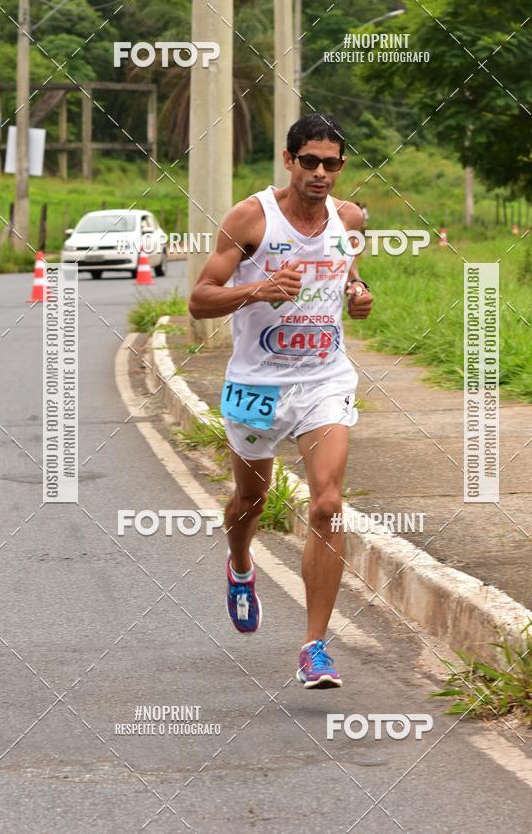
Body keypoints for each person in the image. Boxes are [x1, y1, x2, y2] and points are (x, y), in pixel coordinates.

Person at [188, 114, 374, 689]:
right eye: (310, 162)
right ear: (289, 160)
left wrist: (359, 293)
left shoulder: (351, 219)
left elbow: (348, 275)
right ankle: (240, 564)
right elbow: (199, 300)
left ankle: (315, 645)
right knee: (251, 500)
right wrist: (258, 289)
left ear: (342, 167)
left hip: (323, 380)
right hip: (257, 384)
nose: (321, 173)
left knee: (326, 504)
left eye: (332, 164)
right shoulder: (251, 218)